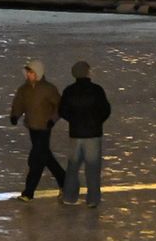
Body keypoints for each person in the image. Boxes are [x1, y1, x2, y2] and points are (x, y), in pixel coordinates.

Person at [57, 60, 111, 205]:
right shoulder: (97, 90)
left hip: (76, 133)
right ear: (87, 72)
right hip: (93, 134)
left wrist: (74, 121)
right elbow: (105, 110)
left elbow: (62, 111)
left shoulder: (69, 91)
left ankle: (69, 197)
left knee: (73, 167)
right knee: (92, 168)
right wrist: (97, 121)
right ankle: (93, 199)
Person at [9, 58, 64, 201]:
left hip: (44, 127)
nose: (28, 75)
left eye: (31, 72)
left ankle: (28, 192)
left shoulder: (48, 89)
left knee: (36, 159)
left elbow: (59, 106)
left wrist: (52, 120)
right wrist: (15, 115)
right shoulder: (24, 89)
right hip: (32, 127)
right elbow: (19, 103)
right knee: (45, 156)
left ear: (38, 73)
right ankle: (65, 181)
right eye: (28, 72)